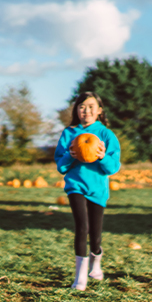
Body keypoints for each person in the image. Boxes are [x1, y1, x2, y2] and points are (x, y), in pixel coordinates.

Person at [54, 92, 121, 291]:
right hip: (76, 186)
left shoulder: (106, 135)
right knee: (82, 227)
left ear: (99, 111)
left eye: (91, 106)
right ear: (76, 110)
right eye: (82, 106)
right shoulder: (69, 133)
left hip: (98, 190)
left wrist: (102, 157)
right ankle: (80, 277)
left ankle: (96, 262)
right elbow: (61, 165)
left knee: (96, 234)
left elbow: (113, 167)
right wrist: (70, 156)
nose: (86, 110)